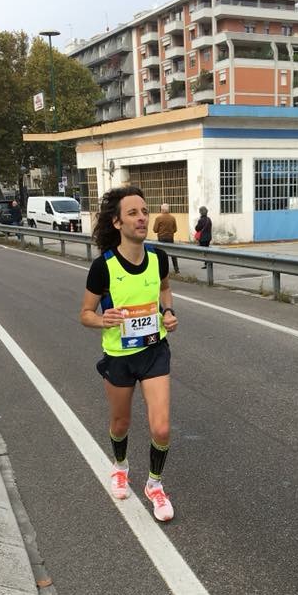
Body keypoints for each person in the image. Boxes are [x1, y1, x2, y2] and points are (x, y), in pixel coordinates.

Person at [80, 186, 178, 522]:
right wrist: (101, 319)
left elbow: (165, 288)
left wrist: (168, 312)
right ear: (117, 222)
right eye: (133, 213)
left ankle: (154, 484)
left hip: (154, 350)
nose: (142, 218)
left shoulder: (158, 258)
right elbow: (85, 314)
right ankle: (120, 466)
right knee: (121, 423)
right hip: (119, 356)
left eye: (144, 212)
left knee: (161, 428)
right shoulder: (103, 267)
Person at [152, 202, 179, 273]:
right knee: (173, 253)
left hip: (161, 238)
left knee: (161, 254)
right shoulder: (172, 218)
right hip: (170, 238)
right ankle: (176, 269)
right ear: (168, 209)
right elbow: (175, 229)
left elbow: (155, 230)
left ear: (162, 210)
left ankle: (162, 269)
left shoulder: (158, 218)